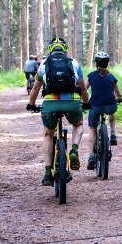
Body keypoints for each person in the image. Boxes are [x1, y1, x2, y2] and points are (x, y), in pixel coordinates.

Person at [26, 37, 89, 186]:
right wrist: (86, 103)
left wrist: (31, 104)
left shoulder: (43, 65)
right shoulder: (73, 63)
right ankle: (73, 150)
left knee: (48, 133)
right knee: (78, 124)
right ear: (65, 50)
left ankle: (48, 174)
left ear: (50, 50)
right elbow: (82, 86)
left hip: (51, 104)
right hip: (72, 103)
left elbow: (36, 87)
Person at [82, 52, 122, 170]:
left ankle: (90, 156)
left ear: (96, 63)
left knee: (92, 129)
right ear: (107, 63)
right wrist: (119, 99)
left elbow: (84, 89)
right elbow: (117, 93)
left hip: (95, 106)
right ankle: (113, 133)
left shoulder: (91, 76)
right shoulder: (112, 77)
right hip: (110, 106)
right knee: (112, 109)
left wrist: (83, 101)